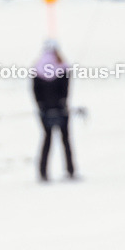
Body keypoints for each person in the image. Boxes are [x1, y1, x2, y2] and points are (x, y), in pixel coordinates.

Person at [32, 40, 76, 181]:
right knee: (65, 139)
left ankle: (43, 172)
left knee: (47, 139)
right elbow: (65, 90)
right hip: (61, 109)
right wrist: (61, 104)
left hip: (45, 110)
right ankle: (70, 170)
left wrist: (41, 106)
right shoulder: (62, 68)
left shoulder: (37, 68)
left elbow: (35, 91)